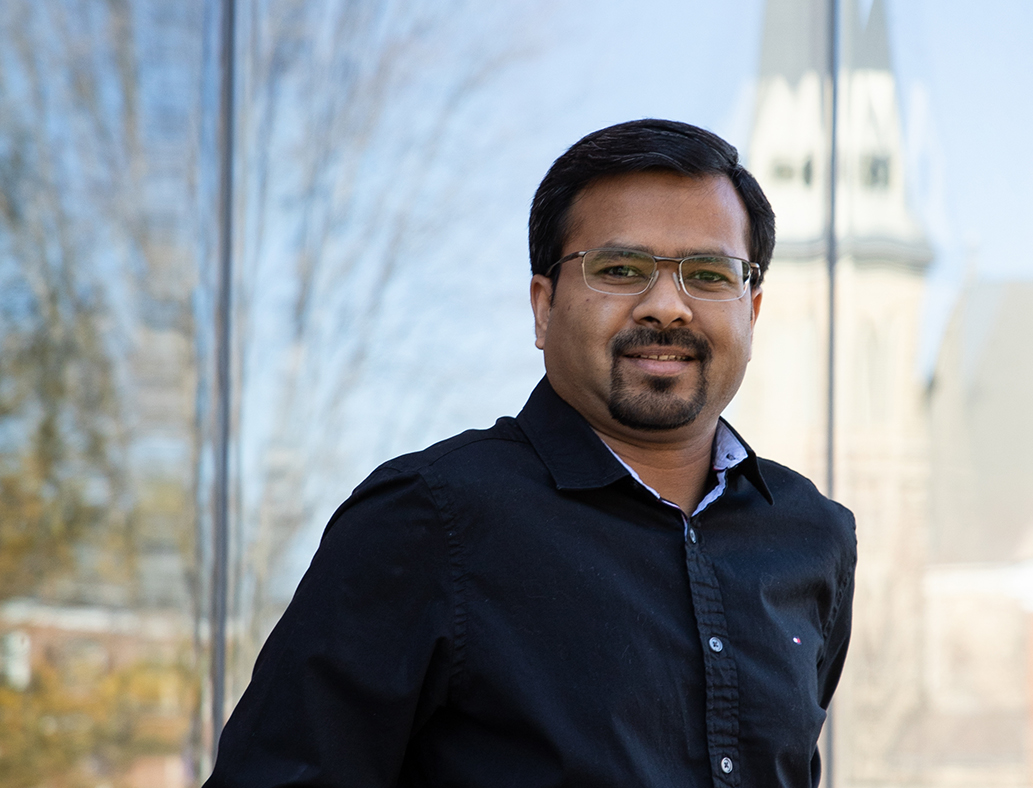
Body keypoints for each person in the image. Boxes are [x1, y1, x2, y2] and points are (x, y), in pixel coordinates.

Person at [205, 119, 856, 788]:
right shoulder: (428, 518)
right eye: (621, 269)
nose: (669, 307)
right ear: (543, 308)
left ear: (752, 308)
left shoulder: (812, 535)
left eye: (709, 274)